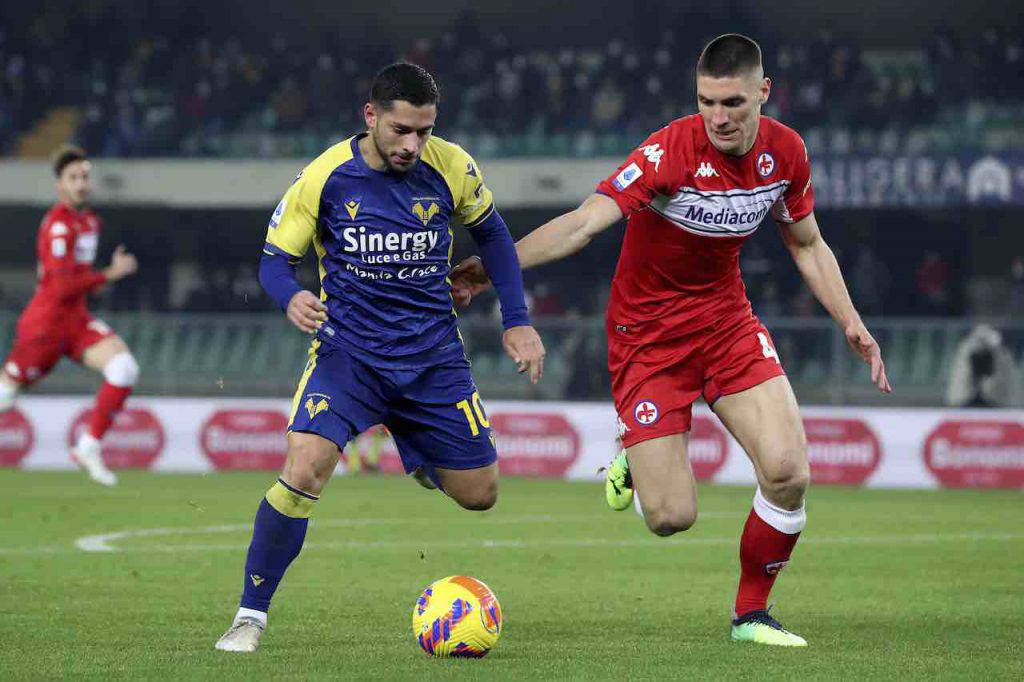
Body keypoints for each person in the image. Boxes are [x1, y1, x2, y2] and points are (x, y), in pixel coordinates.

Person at [451, 34, 891, 647]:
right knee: (669, 517)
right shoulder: (667, 154)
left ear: (763, 93)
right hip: (648, 339)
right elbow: (581, 224)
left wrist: (851, 321)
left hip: (727, 324)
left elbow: (807, 242)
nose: (718, 117)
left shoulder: (786, 154)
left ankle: (751, 614)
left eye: (733, 102)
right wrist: (485, 271)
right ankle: (634, 450)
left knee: (789, 471)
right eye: (707, 101)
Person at [214, 63, 544, 653]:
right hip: (350, 357)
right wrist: (291, 296)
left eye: (424, 131)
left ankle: (415, 449)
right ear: (371, 117)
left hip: (432, 357)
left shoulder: (452, 166)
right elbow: (272, 260)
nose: (413, 144)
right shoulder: (325, 176)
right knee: (304, 470)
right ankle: (249, 616)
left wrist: (517, 322)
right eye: (402, 130)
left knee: (481, 494)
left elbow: (493, 236)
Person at [0, 145, 140, 486]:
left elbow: (70, 281)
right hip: (44, 325)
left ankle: (88, 446)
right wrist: (109, 274)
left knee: (124, 368)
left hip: (75, 321)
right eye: (72, 177)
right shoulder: (59, 227)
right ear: (59, 185)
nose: (81, 183)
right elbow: (61, 286)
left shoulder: (89, 221)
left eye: (84, 176)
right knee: (5, 395)